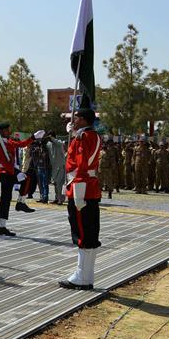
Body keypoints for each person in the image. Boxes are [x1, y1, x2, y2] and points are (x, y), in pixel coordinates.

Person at [59, 108, 102, 291]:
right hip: (88, 187)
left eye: (76, 118)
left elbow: (81, 164)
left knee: (82, 233)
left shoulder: (84, 137)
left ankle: (81, 277)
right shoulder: (93, 135)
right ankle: (86, 275)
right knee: (89, 233)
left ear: (83, 120)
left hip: (81, 187)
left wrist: (77, 190)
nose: (73, 121)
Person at [0, 123, 45, 236]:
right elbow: (3, 162)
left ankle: (21, 202)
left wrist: (33, 137)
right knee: (5, 198)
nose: (9, 132)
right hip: (3, 172)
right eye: (7, 130)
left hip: (11, 171)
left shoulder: (9, 142)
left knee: (26, 179)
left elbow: (21, 144)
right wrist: (15, 173)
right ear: (1, 132)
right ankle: (2, 226)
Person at [46, 132, 67, 204]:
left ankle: (60, 199)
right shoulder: (49, 144)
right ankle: (57, 198)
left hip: (60, 166)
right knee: (55, 183)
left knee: (59, 183)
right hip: (53, 167)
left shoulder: (58, 143)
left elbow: (62, 143)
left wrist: (53, 139)